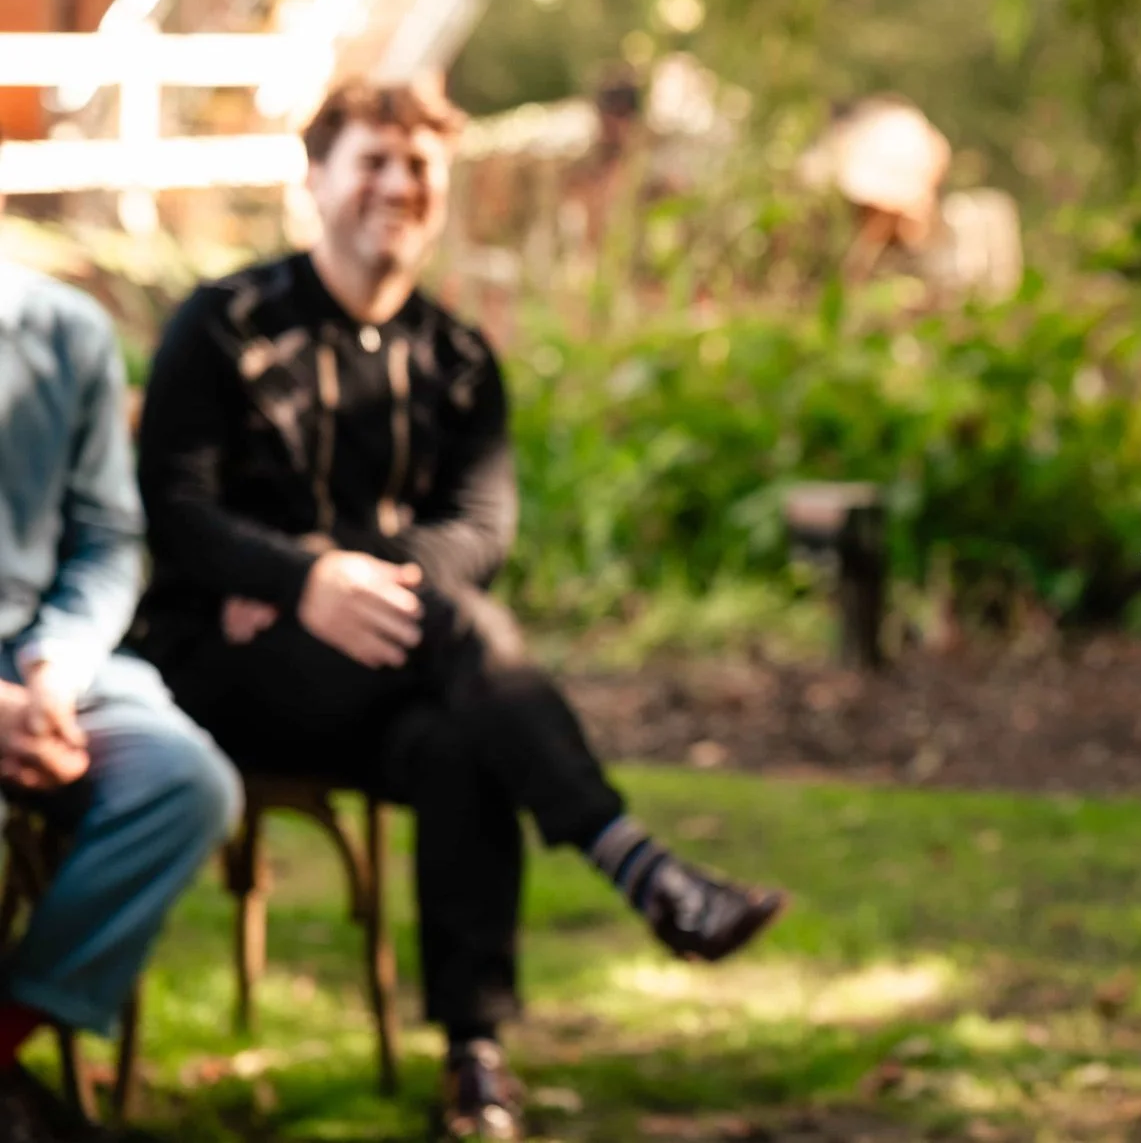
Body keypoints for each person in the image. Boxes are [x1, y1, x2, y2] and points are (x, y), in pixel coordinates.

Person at [134, 80, 786, 1142]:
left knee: (460, 736)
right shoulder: (226, 325)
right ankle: (639, 865)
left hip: (389, 665)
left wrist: (332, 573)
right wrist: (292, 582)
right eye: (372, 163)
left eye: (418, 168)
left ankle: (473, 1059)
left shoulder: (460, 357)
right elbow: (174, 507)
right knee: (468, 636)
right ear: (317, 180)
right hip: (225, 666)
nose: (396, 186)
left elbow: (480, 529)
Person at [0, 230, 239, 1141]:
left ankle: (6, 1048)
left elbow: (107, 538)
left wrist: (53, 675)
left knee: (185, 784)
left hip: (43, 656)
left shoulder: (68, 332)